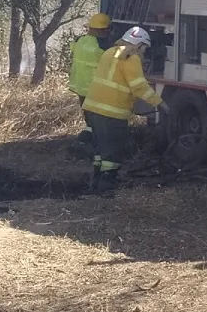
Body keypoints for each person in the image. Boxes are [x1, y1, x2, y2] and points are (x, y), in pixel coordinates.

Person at [82, 26, 169, 192]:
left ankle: (96, 183)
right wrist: (160, 103)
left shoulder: (109, 52)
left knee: (101, 149)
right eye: (144, 48)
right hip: (112, 112)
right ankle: (106, 188)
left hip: (93, 108)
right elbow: (139, 87)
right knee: (113, 152)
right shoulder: (130, 57)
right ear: (138, 44)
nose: (144, 52)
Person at [67, 13, 112, 146]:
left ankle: (87, 137)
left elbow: (72, 46)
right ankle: (96, 142)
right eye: (107, 29)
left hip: (80, 85)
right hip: (95, 88)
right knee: (99, 118)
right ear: (103, 30)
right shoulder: (100, 47)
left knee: (89, 116)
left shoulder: (79, 41)